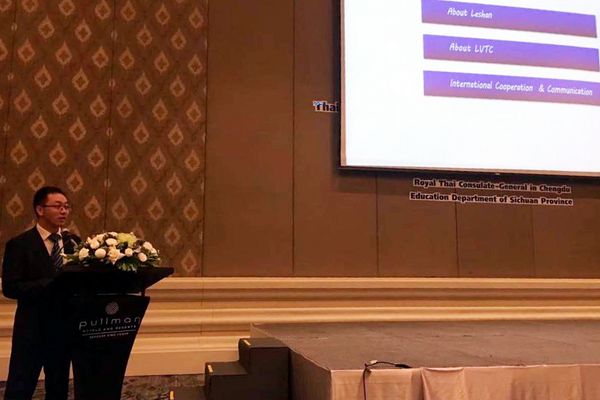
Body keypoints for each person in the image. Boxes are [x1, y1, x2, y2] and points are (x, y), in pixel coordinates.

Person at [2, 186, 80, 400]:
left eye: (66, 207)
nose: (63, 211)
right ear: (40, 209)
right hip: (32, 329)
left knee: (58, 388)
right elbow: (10, 287)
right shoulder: (20, 244)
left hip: (63, 328)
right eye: (57, 206)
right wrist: (49, 284)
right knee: (21, 386)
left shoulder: (73, 243)